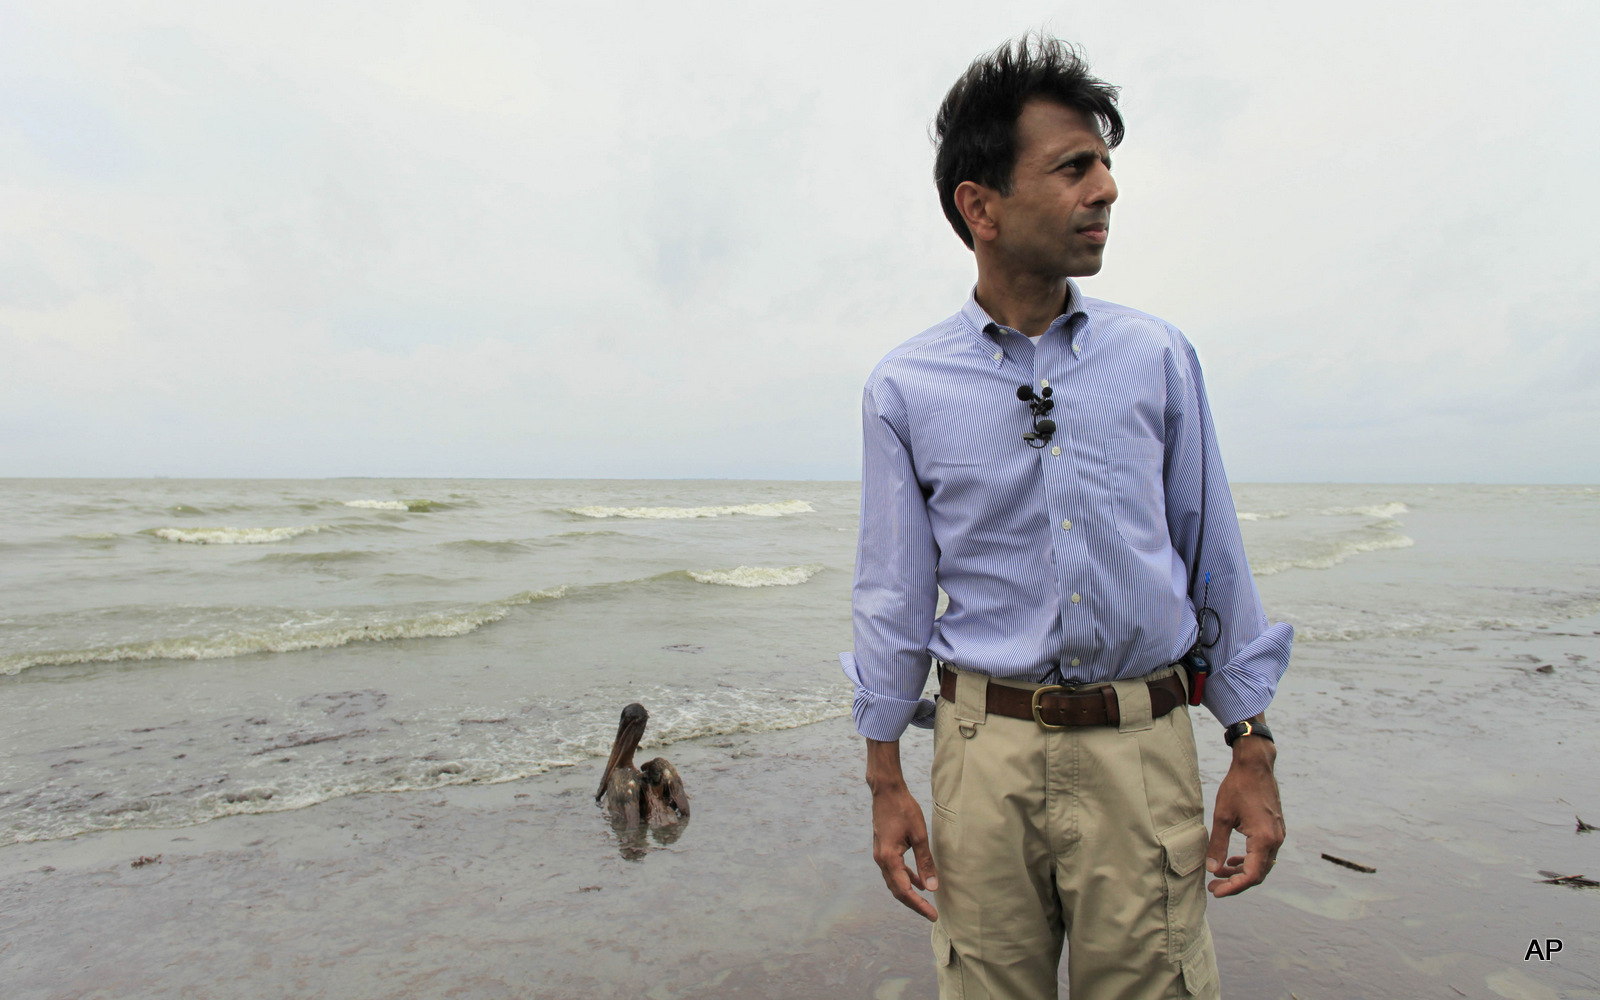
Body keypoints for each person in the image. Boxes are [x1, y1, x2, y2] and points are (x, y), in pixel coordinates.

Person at [839, 35, 1293, 999]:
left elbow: (1212, 557)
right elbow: (892, 595)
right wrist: (887, 781)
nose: (1107, 190)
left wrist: (1251, 743)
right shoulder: (904, 387)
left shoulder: (1157, 356)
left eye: (1108, 166)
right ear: (981, 206)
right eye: (1074, 167)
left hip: (1142, 750)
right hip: (980, 759)